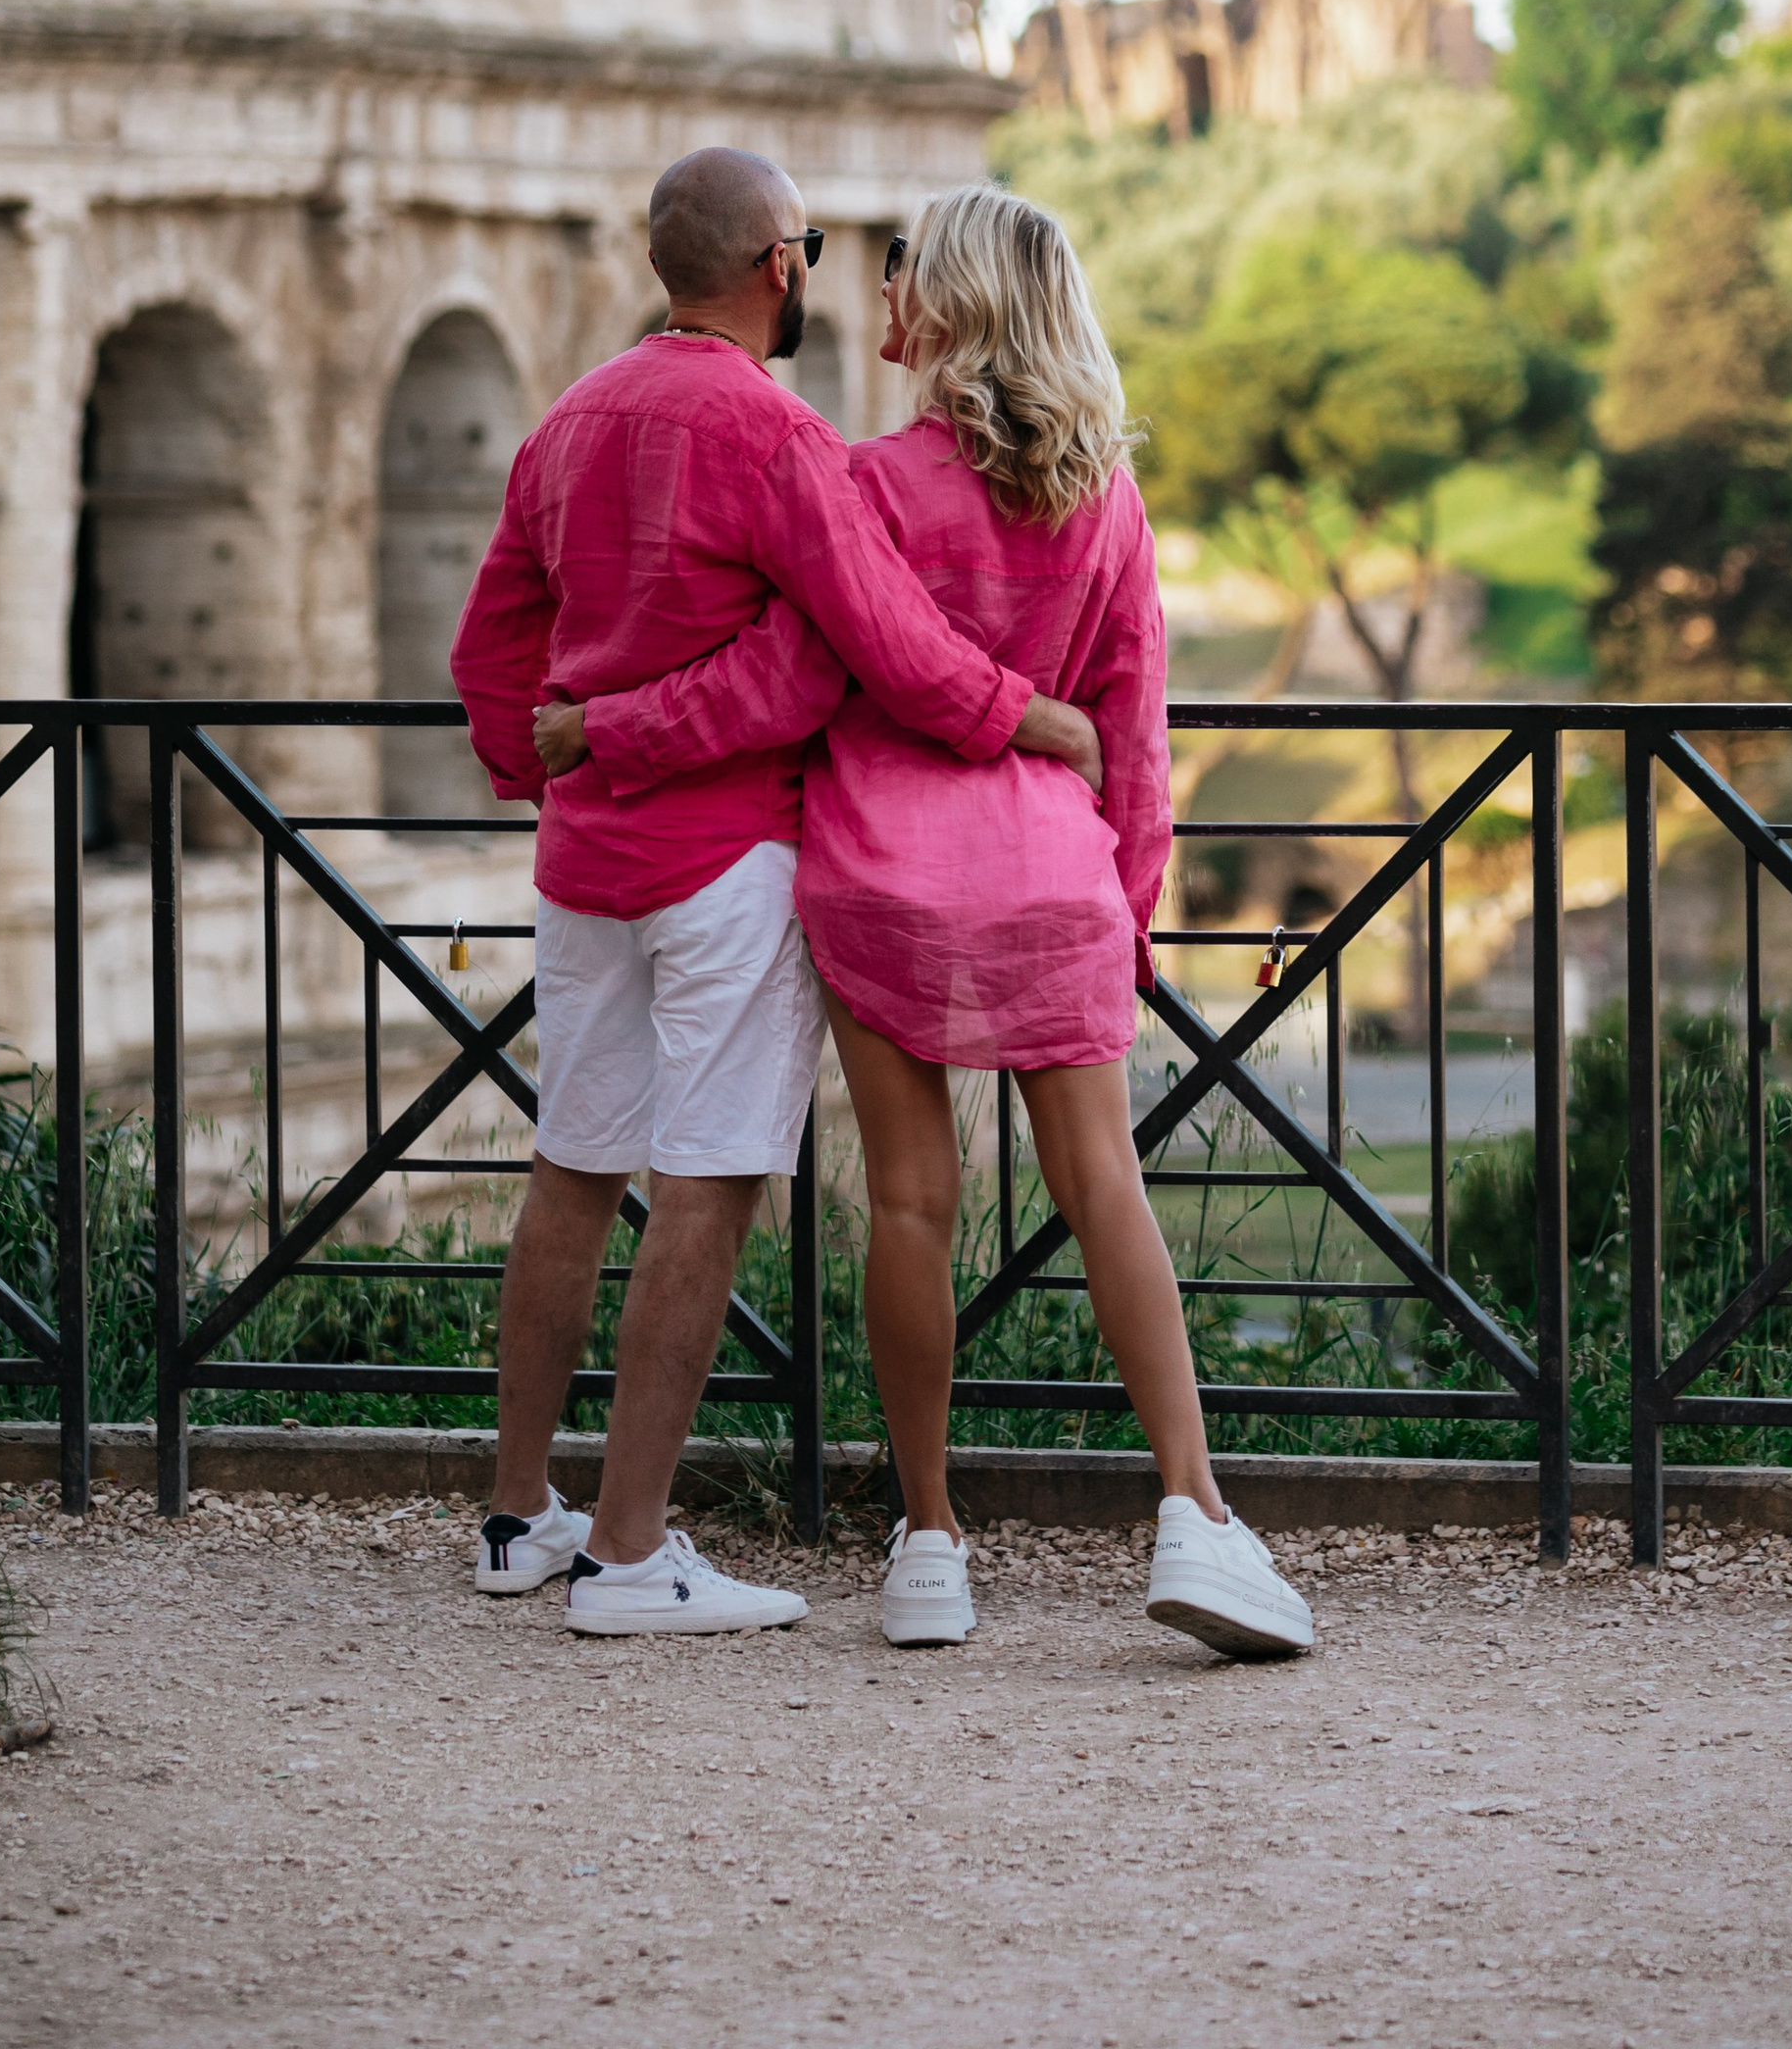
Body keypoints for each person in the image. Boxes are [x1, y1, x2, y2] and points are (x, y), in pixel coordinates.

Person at [556, 183, 1315, 1663]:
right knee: (1105, 1190)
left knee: (911, 1203)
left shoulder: (866, 488)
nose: (880, 290)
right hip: (1049, 881)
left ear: (953, 303)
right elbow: (1134, 727)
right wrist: (1127, 913)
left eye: (905, 270)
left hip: (879, 875)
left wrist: (609, 729)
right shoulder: (1107, 500)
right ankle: (1193, 1512)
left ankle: (928, 1543)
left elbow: (789, 682)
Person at [449, 145, 1106, 1639]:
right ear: (777, 266)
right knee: (709, 1184)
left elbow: (491, 646)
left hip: (584, 864)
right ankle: (629, 1557)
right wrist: (1032, 718)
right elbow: (869, 651)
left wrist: (554, 762)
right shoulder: (778, 434)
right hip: (727, 861)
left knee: (572, 1166)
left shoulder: (570, 417)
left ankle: (518, 1517)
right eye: (808, 245)